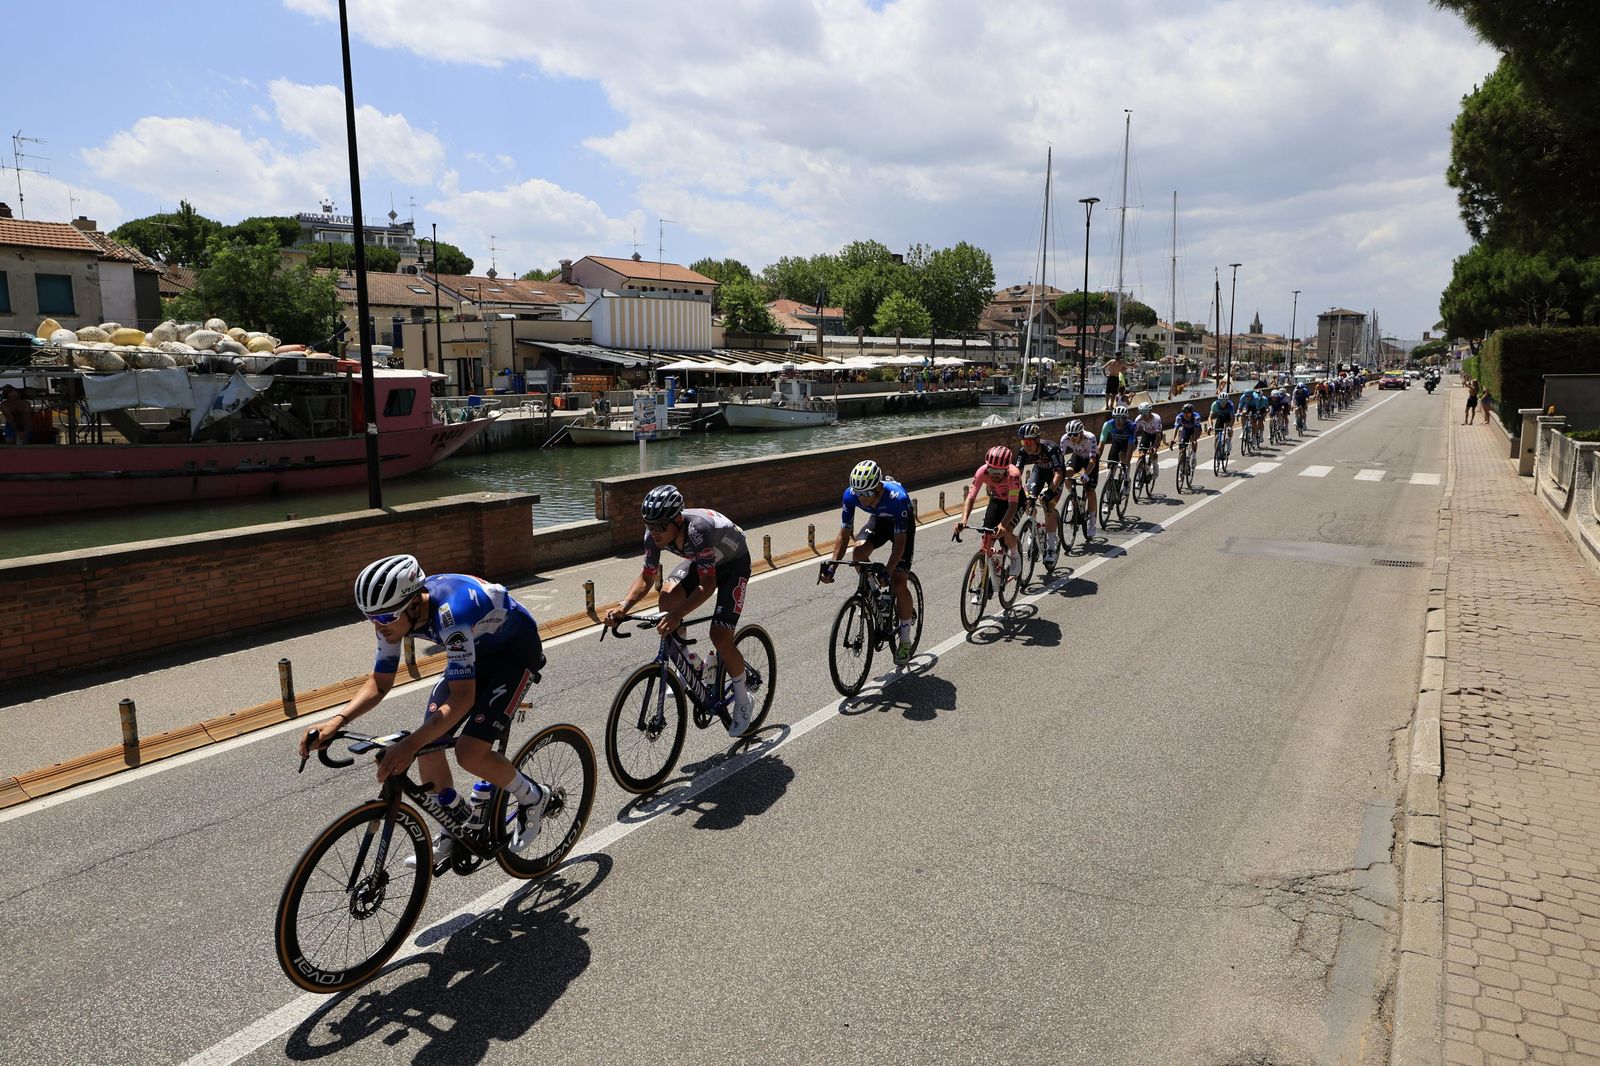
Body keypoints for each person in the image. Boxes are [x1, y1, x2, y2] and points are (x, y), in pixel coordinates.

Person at [299, 555, 553, 868]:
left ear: (415, 604)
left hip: (514, 655)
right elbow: (380, 683)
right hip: (475, 652)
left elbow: (462, 698)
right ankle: (453, 826)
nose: (379, 626)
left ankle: (533, 796)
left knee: (469, 752)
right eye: (370, 617)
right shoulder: (394, 618)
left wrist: (409, 744)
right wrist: (337, 721)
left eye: (385, 617)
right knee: (428, 747)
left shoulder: (452, 614)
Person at [604, 485, 757, 736]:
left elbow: (708, 585)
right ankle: (689, 662)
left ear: (677, 520)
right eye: (649, 525)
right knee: (666, 599)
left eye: (659, 527)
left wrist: (677, 616)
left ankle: (743, 699)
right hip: (704, 560)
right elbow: (647, 577)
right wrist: (623, 607)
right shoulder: (653, 535)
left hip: (733, 564)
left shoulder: (698, 530)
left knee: (720, 636)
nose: (654, 532)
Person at [820, 459, 918, 663]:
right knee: (857, 554)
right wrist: (832, 566)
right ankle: (877, 596)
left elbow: (900, 544)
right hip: (879, 521)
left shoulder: (897, 498)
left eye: (866, 493)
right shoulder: (851, 495)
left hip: (901, 523)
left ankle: (905, 640)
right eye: (858, 493)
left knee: (898, 582)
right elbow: (844, 534)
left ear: (878, 488)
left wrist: (887, 571)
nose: (861, 498)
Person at [955, 444, 1024, 578]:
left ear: (1006, 469)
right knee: (986, 540)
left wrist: (1003, 525)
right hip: (997, 500)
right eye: (992, 470)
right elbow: (971, 497)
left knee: (1007, 531)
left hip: (1015, 502)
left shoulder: (1013, 475)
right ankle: (984, 582)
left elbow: (1013, 505)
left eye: (1000, 472)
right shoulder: (982, 471)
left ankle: (1015, 555)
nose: (995, 475)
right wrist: (963, 520)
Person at [1014, 422, 1066, 566]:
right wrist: (1014, 489)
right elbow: (1017, 473)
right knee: (1027, 501)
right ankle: (1035, 529)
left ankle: (1051, 548)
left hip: (1055, 475)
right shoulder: (1023, 451)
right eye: (1023, 442)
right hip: (1039, 472)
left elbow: (1058, 475)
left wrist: (1049, 492)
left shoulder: (1051, 448)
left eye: (1029, 442)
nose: (1026, 446)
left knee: (1048, 506)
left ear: (1037, 440)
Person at [1059, 419, 1101, 541]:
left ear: (1081, 433)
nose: (1072, 438)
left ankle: (1092, 523)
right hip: (1077, 457)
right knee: (1067, 474)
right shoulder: (1064, 439)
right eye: (1070, 435)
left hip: (1090, 460)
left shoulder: (1090, 438)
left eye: (1075, 435)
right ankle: (1072, 497)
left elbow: (1093, 460)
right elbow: (1060, 458)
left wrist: (1086, 474)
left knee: (1090, 490)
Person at [1099, 404, 1141, 494]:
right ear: (1113, 418)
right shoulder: (1108, 425)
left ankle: (1127, 480)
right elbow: (1101, 445)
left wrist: (1127, 463)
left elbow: (1130, 447)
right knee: (1110, 465)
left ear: (1126, 419)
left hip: (1129, 443)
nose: (1119, 422)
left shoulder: (1131, 426)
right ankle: (1109, 485)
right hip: (1117, 442)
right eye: (1117, 419)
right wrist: (1096, 458)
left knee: (1123, 456)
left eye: (1122, 419)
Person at [1130, 403, 1165, 486]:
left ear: (1150, 412)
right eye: (1141, 413)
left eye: (1145, 413)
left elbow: (1158, 436)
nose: (1143, 415)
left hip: (1156, 435)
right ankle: (1138, 477)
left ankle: (1155, 467)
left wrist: (1154, 447)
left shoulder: (1156, 419)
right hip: (1146, 433)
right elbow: (1133, 433)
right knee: (1141, 455)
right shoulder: (1138, 419)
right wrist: (1132, 443)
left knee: (1152, 452)